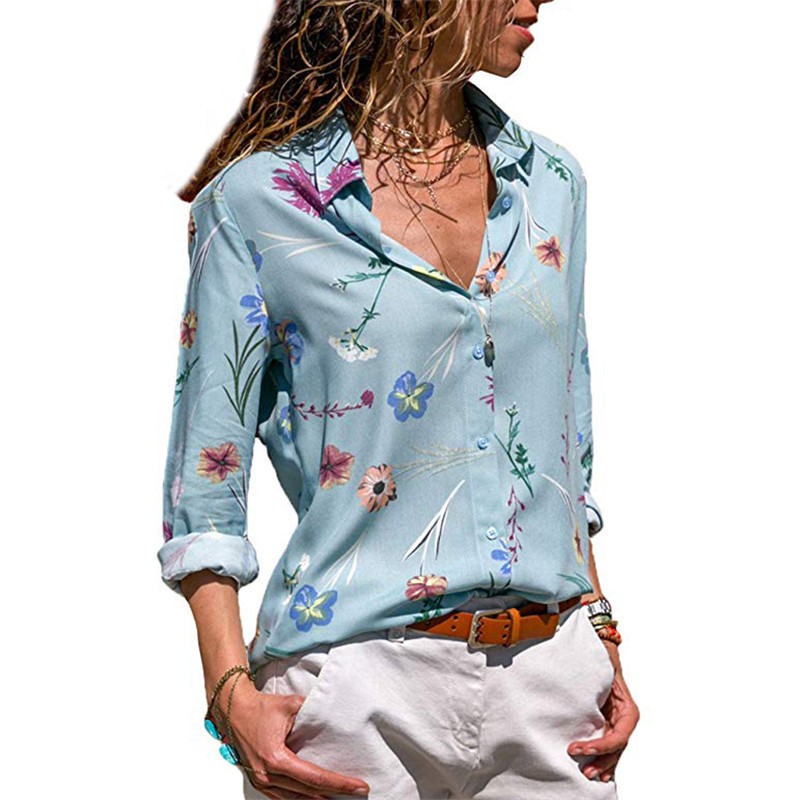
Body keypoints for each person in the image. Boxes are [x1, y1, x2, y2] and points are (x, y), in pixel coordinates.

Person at [158, 1, 640, 798]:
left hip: (552, 685)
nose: (538, 1)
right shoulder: (259, 202)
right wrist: (229, 692)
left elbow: (565, 447)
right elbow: (208, 473)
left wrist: (603, 637)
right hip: (352, 690)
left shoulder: (552, 185)